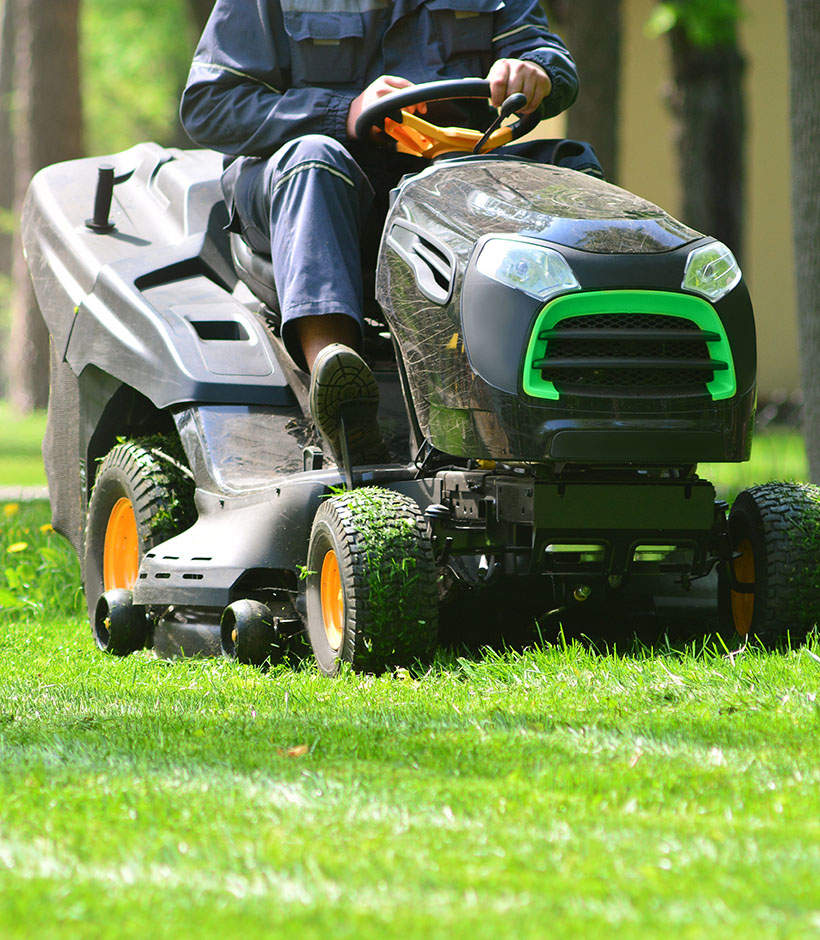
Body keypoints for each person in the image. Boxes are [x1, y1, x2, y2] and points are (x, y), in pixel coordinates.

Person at [181, 0, 578, 467]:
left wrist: (535, 70)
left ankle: (585, 380)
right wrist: (341, 111)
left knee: (570, 166)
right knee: (315, 159)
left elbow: (544, 54)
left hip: (450, 182)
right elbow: (210, 105)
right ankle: (337, 380)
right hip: (308, 185)